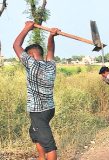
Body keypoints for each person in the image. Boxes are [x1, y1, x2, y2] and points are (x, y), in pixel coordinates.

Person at [13, 21, 59, 160]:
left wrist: (26, 28)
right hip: (49, 109)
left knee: (49, 144)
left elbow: (16, 45)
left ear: (31, 55)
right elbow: (50, 50)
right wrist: (51, 36)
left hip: (38, 112)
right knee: (35, 133)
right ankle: (41, 158)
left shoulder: (31, 64)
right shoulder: (50, 65)